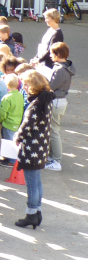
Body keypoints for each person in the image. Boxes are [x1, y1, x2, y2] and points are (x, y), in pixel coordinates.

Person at [13, 70, 54, 228]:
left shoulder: (36, 104)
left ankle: (31, 214)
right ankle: (37, 212)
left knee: (31, 183)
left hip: (32, 148)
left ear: (35, 85)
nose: (24, 87)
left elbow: (27, 125)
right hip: (41, 146)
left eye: (27, 84)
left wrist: (17, 137)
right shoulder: (46, 99)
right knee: (37, 182)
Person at [45, 42, 74, 171]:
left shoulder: (60, 70)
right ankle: (53, 157)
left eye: (52, 53)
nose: (50, 56)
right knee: (52, 130)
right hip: (58, 101)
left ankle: (56, 161)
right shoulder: (62, 67)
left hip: (56, 102)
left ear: (58, 54)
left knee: (54, 131)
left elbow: (51, 86)